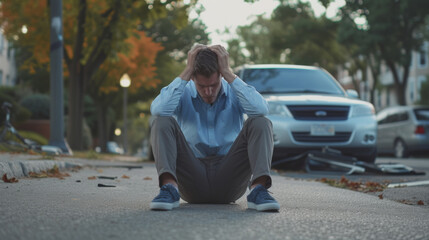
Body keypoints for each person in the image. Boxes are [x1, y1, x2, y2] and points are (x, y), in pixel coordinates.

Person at [149, 44, 280, 212]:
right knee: (161, 121)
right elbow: (158, 110)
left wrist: (228, 73)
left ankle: (259, 190)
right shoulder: (183, 92)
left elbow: (261, 109)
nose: (209, 91)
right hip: (191, 179)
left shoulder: (234, 91)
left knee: (261, 122)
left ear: (220, 76)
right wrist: (187, 70)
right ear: (193, 78)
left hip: (229, 179)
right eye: (202, 86)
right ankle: (168, 189)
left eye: (214, 84)